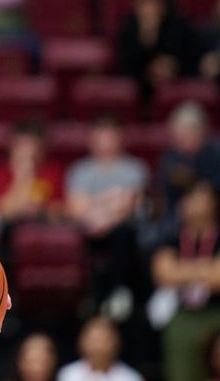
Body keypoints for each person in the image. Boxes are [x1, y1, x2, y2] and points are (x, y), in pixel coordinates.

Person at [65, 116, 148, 320]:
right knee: (72, 238)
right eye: (100, 136)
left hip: (122, 229)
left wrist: (103, 215)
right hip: (89, 228)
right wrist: (111, 202)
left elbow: (129, 205)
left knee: (122, 233)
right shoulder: (79, 170)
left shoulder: (134, 169)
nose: (105, 142)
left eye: (110, 136)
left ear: (120, 138)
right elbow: (76, 208)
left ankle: (120, 291)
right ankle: (86, 296)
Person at [151, 180, 220, 381]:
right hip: (184, 312)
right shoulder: (171, 236)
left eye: (203, 198)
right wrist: (207, 268)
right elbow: (164, 274)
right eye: (192, 198)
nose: (197, 204)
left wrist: (182, 269)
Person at [116, 0, 196, 104]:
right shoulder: (128, 27)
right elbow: (124, 69)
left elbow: (192, 61)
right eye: (146, 1)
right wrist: (146, 38)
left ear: (165, 4)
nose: (151, 7)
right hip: (139, 96)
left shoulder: (179, 25)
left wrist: (173, 66)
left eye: (156, 1)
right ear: (137, 2)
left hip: (176, 96)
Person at [156, 101, 220, 232]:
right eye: (178, 135)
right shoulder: (170, 157)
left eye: (186, 134)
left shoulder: (215, 154)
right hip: (177, 217)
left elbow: (213, 188)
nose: (181, 140)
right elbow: (165, 193)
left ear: (201, 131)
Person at [56, 317, 142, 381]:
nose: (98, 347)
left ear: (117, 343)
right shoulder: (67, 375)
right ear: (81, 342)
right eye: (93, 339)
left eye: (104, 340)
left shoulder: (131, 378)